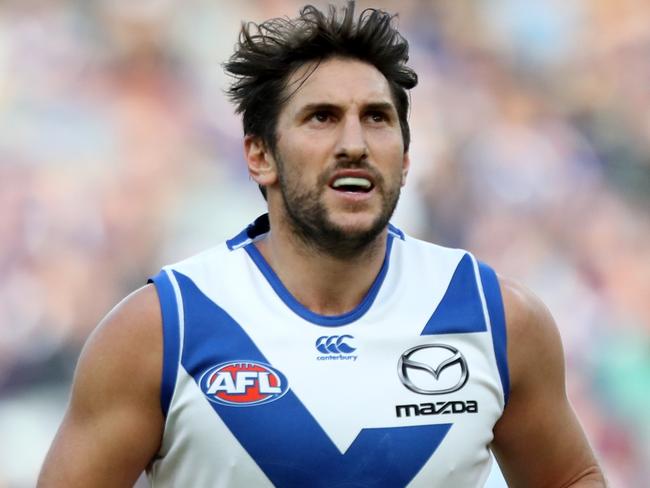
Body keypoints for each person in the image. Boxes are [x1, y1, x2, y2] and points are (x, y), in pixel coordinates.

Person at [38, 2, 606, 487]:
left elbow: (571, 478)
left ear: (406, 158)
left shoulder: (497, 316)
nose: (354, 143)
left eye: (377, 118)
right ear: (259, 156)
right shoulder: (164, 328)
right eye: (322, 118)